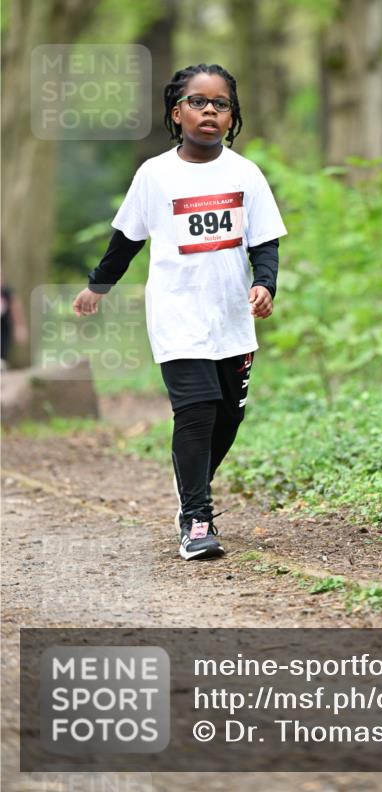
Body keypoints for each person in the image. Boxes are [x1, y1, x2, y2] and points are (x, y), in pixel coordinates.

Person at [72, 63, 287, 561]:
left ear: (232, 118)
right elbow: (126, 240)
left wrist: (264, 284)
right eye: (198, 101)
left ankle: (192, 486)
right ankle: (196, 519)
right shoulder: (155, 175)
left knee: (228, 419)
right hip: (176, 316)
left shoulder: (245, 174)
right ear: (177, 112)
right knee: (195, 412)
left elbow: (265, 243)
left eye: (221, 104)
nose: (209, 110)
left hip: (232, 319)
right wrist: (97, 287)